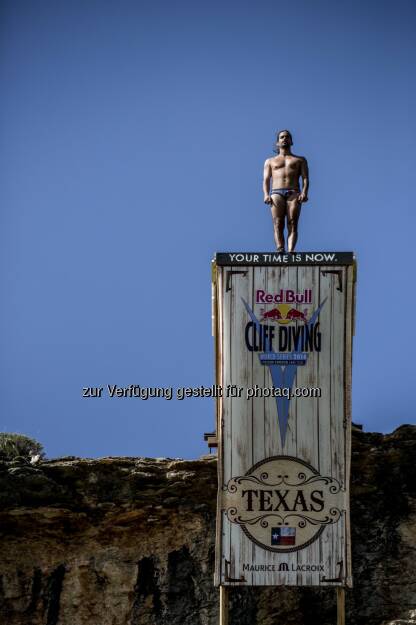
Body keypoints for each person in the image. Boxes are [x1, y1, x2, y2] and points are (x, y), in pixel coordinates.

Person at [263, 130, 309, 252]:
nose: (285, 139)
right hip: (276, 192)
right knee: (278, 223)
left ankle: (291, 251)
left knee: (292, 223)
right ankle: (280, 248)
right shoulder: (270, 161)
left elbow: (305, 178)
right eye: (282, 137)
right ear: (277, 142)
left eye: (287, 137)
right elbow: (266, 179)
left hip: (294, 192)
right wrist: (266, 194)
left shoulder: (300, 160)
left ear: (291, 141)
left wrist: (304, 192)